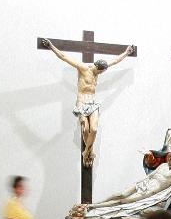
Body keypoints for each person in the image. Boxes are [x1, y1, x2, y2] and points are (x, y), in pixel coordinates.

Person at [42, 39, 133, 167]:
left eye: (102, 72)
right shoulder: (83, 68)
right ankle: (89, 151)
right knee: (85, 129)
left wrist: (126, 53)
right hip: (82, 102)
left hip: (92, 102)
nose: (101, 73)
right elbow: (64, 57)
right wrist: (51, 46)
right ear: (96, 67)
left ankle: (86, 153)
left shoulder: (99, 70)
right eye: (100, 71)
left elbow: (115, 61)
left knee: (94, 129)